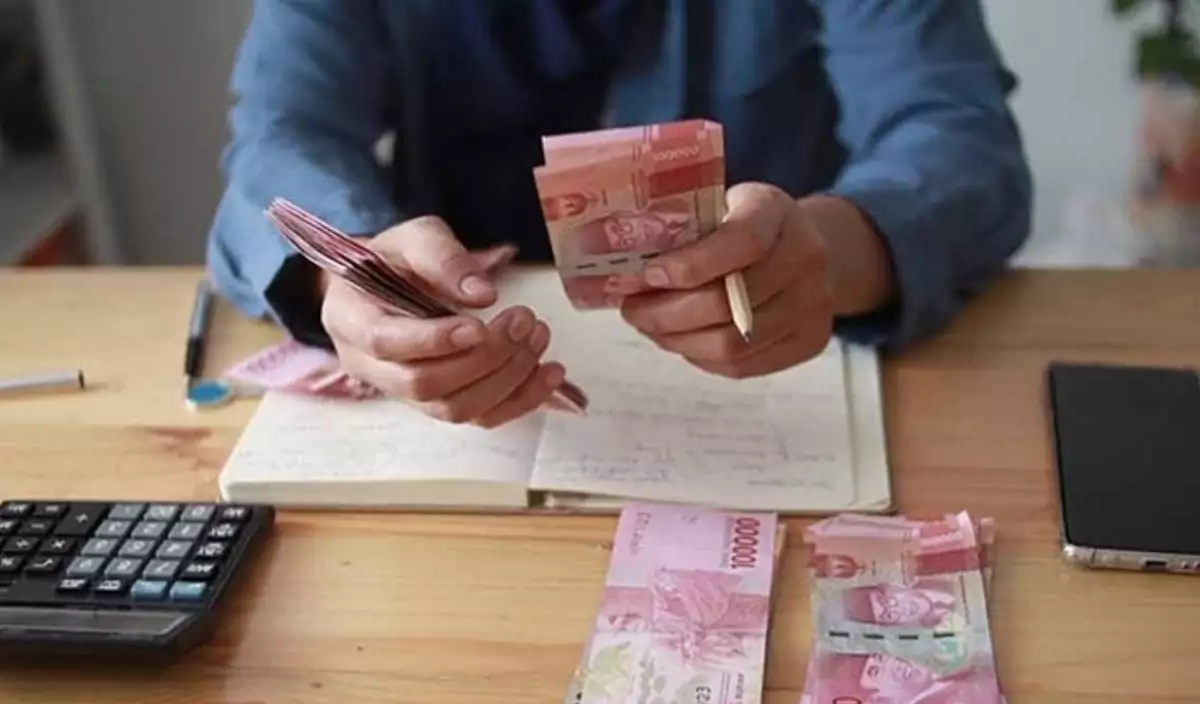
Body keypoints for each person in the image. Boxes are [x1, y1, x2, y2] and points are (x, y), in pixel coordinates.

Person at [207, 0, 1032, 429]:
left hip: (775, 378)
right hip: (464, 409)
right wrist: (343, 272)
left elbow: (959, 139)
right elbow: (282, 134)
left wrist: (827, 247)